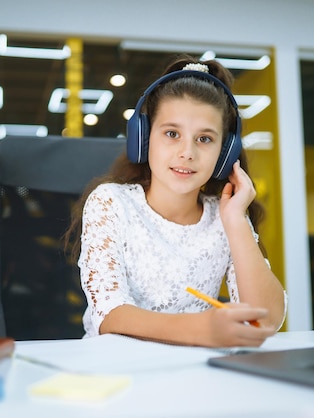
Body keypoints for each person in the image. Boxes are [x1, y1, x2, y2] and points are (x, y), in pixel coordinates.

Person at [65, 55, 286, 348]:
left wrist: (235, 221)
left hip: (196, 371)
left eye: (205, 139)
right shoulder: (111, 203)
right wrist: (200, 329)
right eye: (172, 133)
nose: (187, 152)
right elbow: (110, 315)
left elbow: (268, 320)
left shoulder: (225, 215)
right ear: (143, 139)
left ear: (225, 153)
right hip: (116, 370)